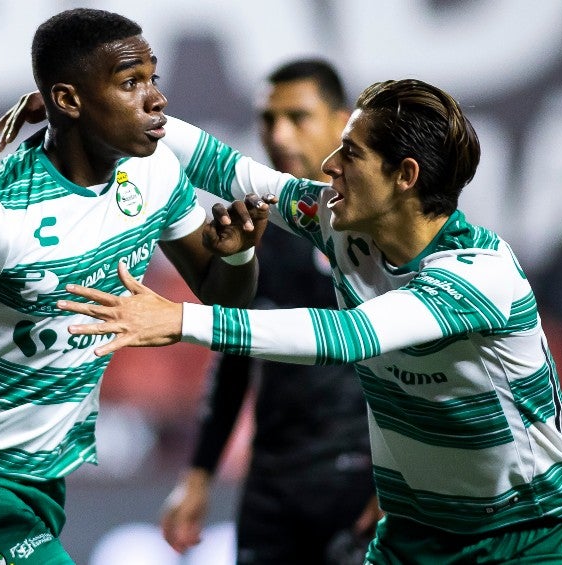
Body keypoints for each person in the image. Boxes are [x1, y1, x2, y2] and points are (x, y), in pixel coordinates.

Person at [56, 78, 562, 564]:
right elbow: (230, 170)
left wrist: (182, 320)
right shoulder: (343, 229)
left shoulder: (480, 276)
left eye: (352, 153)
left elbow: (346, 337)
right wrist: (101, 107)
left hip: (530, 534)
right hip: (418, 532)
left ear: (405, 176)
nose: (328, 165)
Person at [0, 9, 270, 565]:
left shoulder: (155, 173)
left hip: (42, 483)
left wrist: (241, 252)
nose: (156, 98)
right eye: (131, 83)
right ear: (69, 99)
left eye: (153, 78)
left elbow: (224, 296)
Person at [159, 59, 379, 565]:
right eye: (267, 120)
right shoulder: (257, 232)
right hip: (272, 484)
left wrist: (407, 484)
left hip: (362, 480)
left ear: (343, 123)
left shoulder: (383, 231)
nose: (278, 135)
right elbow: (236, 351)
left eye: (297, 117)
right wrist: (198, 474)